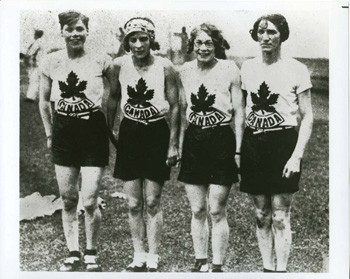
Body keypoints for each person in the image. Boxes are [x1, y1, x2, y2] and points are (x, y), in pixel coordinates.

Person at [39, 11, 114, 272]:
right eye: (69, 30)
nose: (75, 34)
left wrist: (110, 124)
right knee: (69, 198)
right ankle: (73, 252)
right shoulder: (51, 61)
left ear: (87, 31)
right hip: (64, 131)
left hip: (92, 130)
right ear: (61, 32)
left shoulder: (101, 60)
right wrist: (50, 133)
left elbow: (114, 94)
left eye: (79, 29)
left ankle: (91, 252)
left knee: (90, 199)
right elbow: (43, 100)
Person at [239, 14, 313, 272]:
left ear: (282, 35)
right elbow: (242, 110)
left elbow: (307, 116)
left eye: (271, 32)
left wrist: (296, 156)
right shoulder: (247, 68)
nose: (265, 37)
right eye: (261, 32)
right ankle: (267, 269)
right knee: (261, 215)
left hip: (283, 143)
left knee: (281, 216)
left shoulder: (297, 69)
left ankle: (281, 271)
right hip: (254, 143)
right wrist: (240, 150)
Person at [107, 17, 179, 272]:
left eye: (143, 39)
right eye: (133, 39)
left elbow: (176, 106)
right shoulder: (119, 65)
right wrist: (110, 132)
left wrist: (173, 144)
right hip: (130, 133)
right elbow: (113, 98)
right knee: (133, 203)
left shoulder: (166, 66)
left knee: (152, 201)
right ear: (126, 42)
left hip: (156, 132)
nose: (138, 44)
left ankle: (153, 254)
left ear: (151, 39)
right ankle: (138, 253)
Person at [178, 23, 244, 272]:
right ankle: (200, 261)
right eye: (198, 43)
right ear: (192, 46)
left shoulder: (229, 69)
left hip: (221, 141)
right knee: (197, 209)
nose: (203, 48)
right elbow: (183, 112)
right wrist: (180, 146)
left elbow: (239, 112)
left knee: (216, 210)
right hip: (195, 140)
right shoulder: (184, 70)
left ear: (216, 44)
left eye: (208, 43)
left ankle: (217, 265)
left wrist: (238, 150)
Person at [25, 29, 45, 102]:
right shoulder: (44, 42)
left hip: (39, 64)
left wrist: (26, 56)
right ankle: (51, 98)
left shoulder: (37, 42)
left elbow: (30, 53)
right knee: (45, 81)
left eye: (34, 34)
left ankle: (30, 97)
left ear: (36, 35)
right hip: (44, 63)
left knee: (34, 80)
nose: (34, 36)